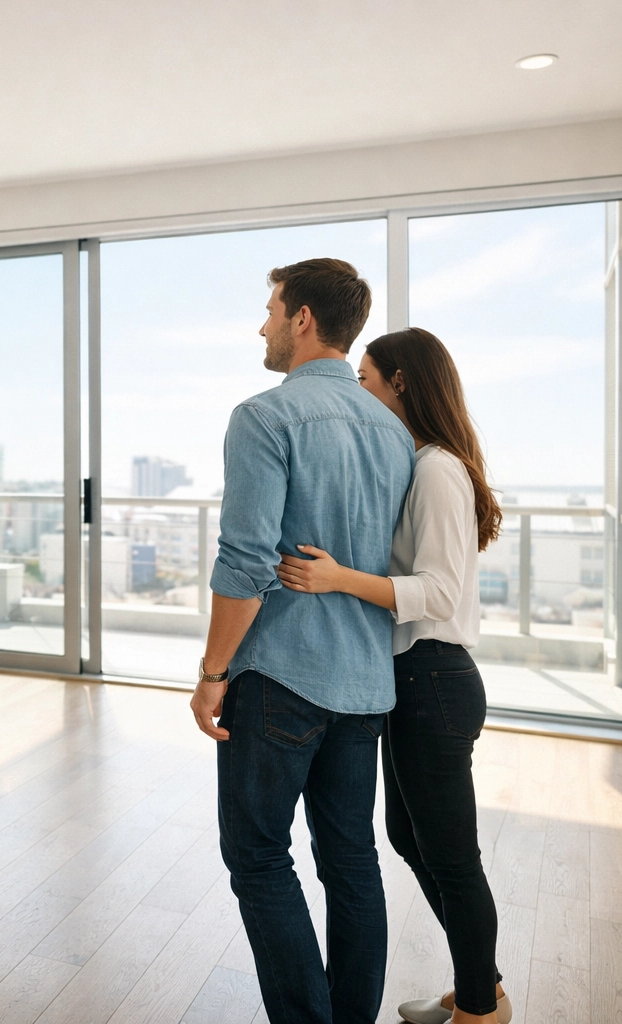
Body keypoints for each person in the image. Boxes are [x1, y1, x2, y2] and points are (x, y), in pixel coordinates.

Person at [190, 259, 414, 1024]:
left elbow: (246, 564)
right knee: (351, 861)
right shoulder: (394, 433)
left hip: (281, 677)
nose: (262, 326)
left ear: (303, 319)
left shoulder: (265, 417)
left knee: (257, 856)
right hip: (365, 683)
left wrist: (213, 671)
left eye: (271, 310)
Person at [276, 328, 510, 1024]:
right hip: (417, 680)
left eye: (367, 379)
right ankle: (482, 985)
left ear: (401, 382)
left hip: (433, 680)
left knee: (452, 858)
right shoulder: (422, 462)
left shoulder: (437, 469)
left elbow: (436, 592)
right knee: (412, 839)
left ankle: (481, 1009)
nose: (360, 391)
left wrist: (338, 578)